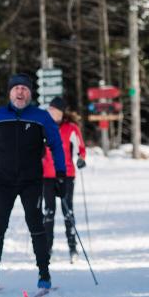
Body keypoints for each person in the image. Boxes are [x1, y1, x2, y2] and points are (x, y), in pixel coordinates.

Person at [0, 72, 67, 290]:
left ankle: (44, 272)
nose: (20, 92)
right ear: (10, 93)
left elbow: (56, 144)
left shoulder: (40, 117)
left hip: (32, 181)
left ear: (30, 93)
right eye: (16, 88)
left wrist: (61, 175)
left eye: (25, 89)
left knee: (36, 225)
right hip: (3, 181)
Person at [41, 96, 87, 263]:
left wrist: (81, 158)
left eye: (53, 110)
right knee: (49, 212)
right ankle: (47, 249)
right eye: (49, 110)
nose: (50, 112)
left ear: (60, 112)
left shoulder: (71, 128)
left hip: (66, 175)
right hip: (46, 176)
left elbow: (81, 147)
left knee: (68, 212)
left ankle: (73, 248)